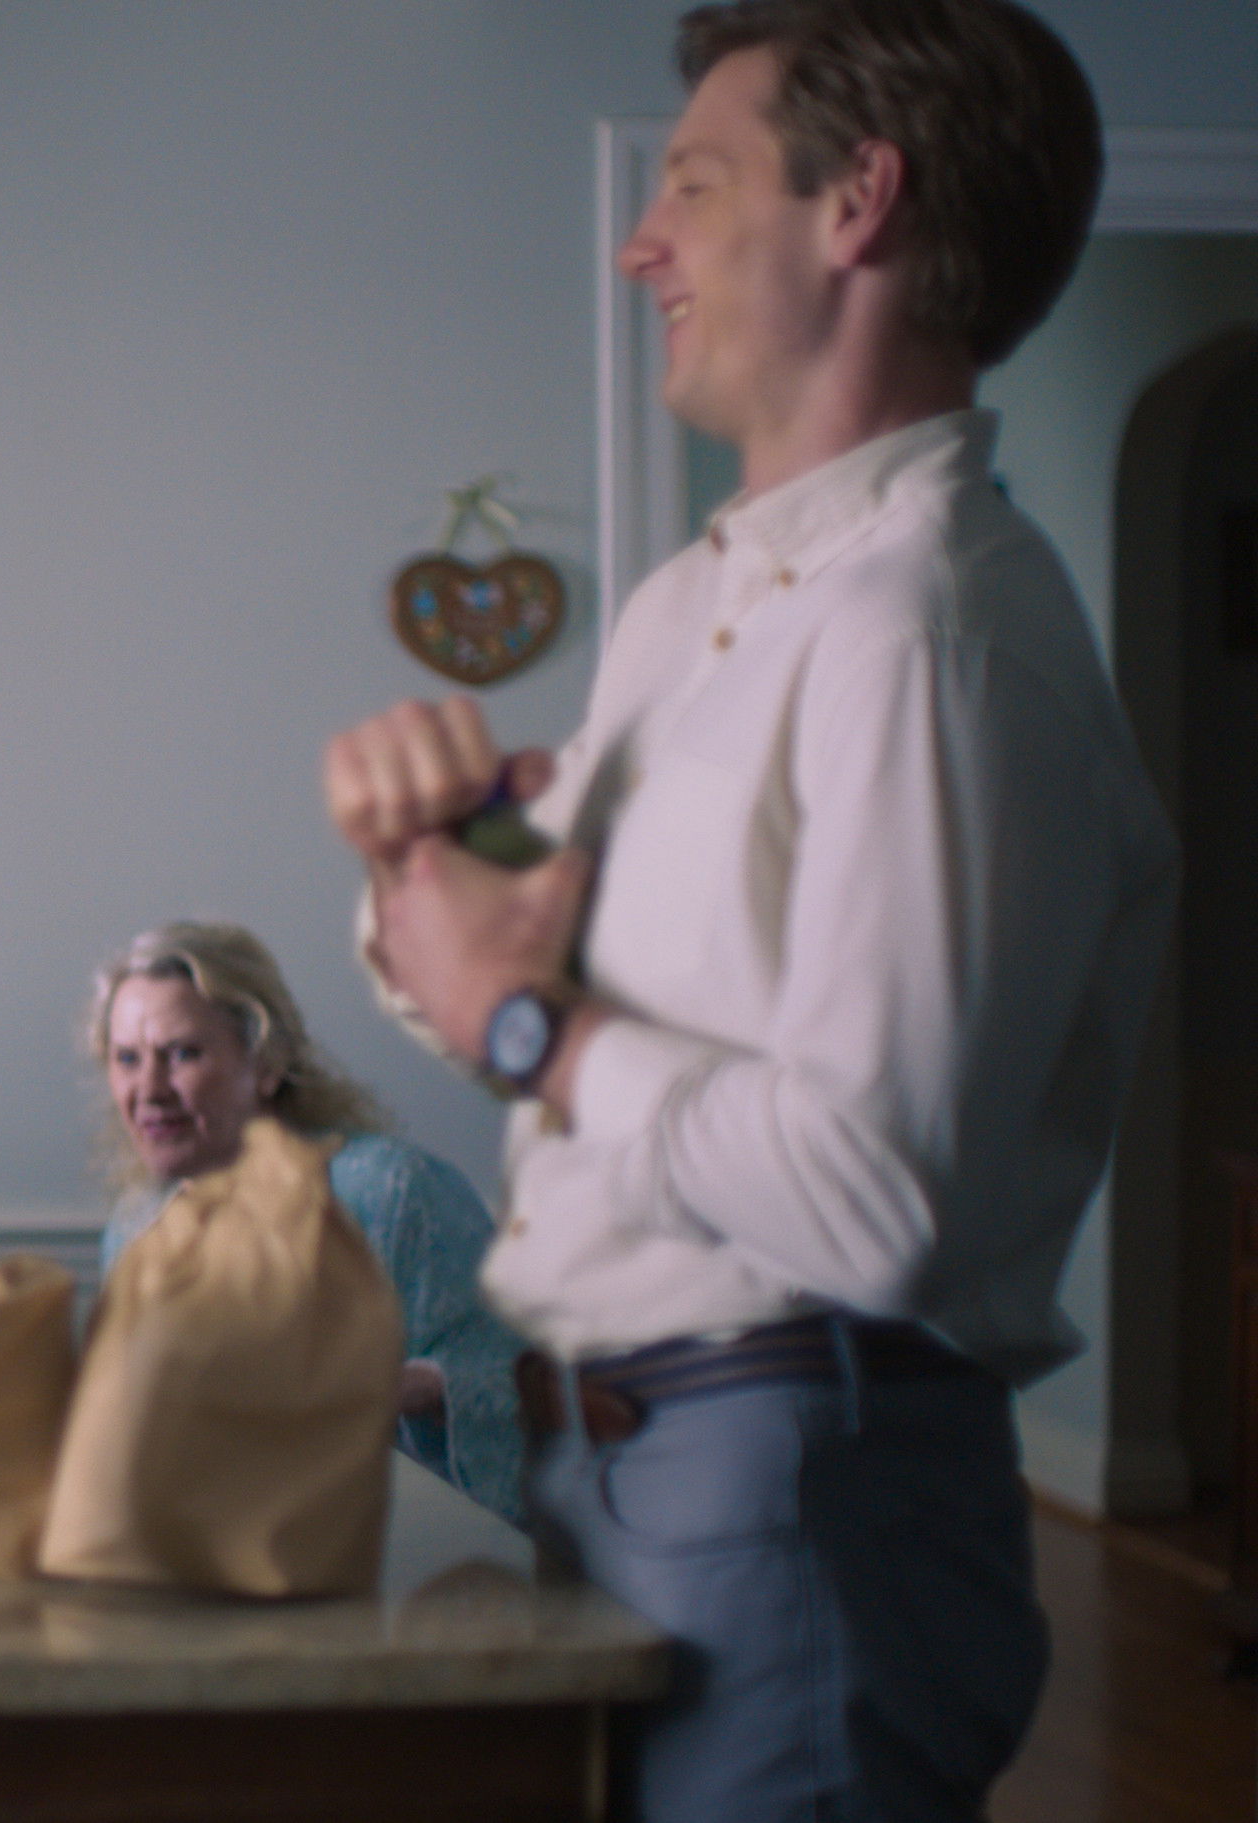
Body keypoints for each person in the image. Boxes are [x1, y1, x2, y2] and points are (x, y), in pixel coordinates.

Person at [323, 3, 1174, 1817]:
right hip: (620, 1463)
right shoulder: (682, 613)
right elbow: (537, 971)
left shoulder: (930, 636)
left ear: (859, 202)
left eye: (694, 185)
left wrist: (526, 1022)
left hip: (797, 1488)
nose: (642, 243)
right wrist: (438, 867)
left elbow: (878, 1204)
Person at [89, 922, 524, 1523]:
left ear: (266, 1063)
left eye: (183, 1053)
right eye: (127, 1059)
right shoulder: (135, 1227)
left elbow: (523, 1379)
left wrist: (399, 1388)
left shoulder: (392, 1191)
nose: (149, 1090)